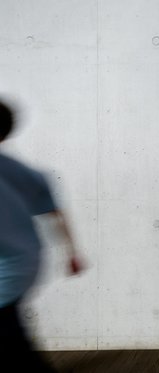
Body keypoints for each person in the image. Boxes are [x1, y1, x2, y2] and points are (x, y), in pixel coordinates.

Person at [0, 99, 84, 371]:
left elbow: (53, 210)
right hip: (22, 262)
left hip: (13, 266)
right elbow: (54, 211)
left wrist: (72, 252)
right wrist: (71, 252)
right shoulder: (20, 171)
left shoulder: (14, 170)